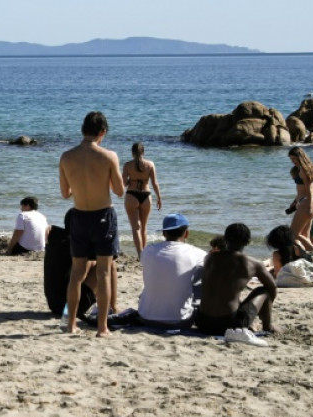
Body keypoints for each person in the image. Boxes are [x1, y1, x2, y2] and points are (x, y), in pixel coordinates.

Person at [59, 111, 125, 336]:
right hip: (103, 217)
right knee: (104, 273)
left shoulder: (66, 157)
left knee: (77, 273)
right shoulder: (109, 156)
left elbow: (65, 193)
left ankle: (71, 325)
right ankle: (102, 328)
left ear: (82, 130)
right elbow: (118, 191)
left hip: (79, 215)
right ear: (102, 132)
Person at [196, 223, 278, 343]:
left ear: (225, 238)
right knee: (263, 291)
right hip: (229, 325)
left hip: (202, 322)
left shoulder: (209, 258)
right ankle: (268, 326)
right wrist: (264, 308)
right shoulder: (253, 263)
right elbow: (272, 287)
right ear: (248, 241)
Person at [137, 214, 207, 330]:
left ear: (164, 233)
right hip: (180, 321)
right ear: (186, 233)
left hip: (146, 317)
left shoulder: (148, 250)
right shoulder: (198, 253)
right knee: (199, 280)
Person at [122, 142, 162, 258]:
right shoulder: (150, 164)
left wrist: (131, 181)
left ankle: (140, 255)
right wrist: (159, 197)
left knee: (135, 228)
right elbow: (155, 183)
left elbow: (124, 183)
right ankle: (144, 254)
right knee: (144, 228)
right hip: (146, 196)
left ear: (132, 153)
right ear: (143, 152)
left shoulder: (127, 165)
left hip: (131, 196)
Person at [286, 147, 313, 262]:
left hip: (307, 203)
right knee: (305, 237)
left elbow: (309, 191)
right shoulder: (311, 169)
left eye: (294, 158)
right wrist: (295, 202)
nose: (293, 161)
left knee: (293, 234)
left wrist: (309, 203)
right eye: (291, 159)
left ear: (300, 157)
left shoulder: (302, 170)